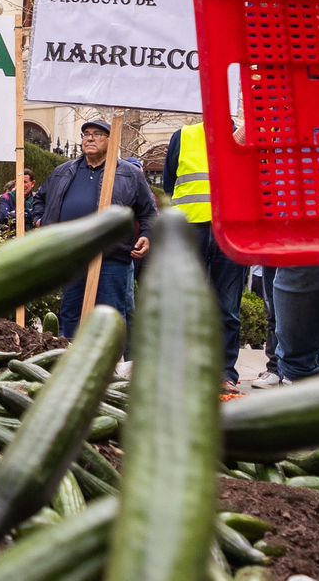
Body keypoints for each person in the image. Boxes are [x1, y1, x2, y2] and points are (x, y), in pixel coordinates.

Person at [37, 120, 156, 339]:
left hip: (112, 257)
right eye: (86, 134)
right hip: (74, 255)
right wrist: (40, 220)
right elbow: (40, 200)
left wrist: (147, 236)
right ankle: (69, 361)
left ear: (112, 141)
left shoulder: (130, 174)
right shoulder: (63, 172)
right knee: (71, 313)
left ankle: (107, 368)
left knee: (109, 316)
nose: (90, 138)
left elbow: (148, 212)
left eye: (98, 134)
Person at [162, 122, 248, 393]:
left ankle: (224, 374)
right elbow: (169, 183)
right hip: (192, 230)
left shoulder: (248, 135)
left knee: (226, 306)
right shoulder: (184, 136)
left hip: (231, 230)